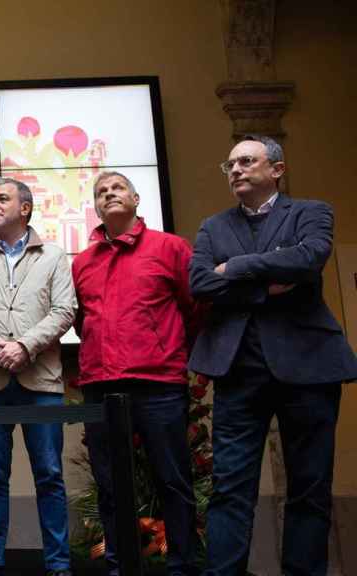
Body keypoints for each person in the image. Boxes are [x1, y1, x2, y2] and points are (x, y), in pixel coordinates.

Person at [189, 135, 357, 576]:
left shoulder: (311, 212)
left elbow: (309, 259)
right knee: (229, 490)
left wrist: (237, 269)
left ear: (277, 170)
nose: (237, 171)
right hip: (238, 370)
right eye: (230, 166)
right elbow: (202, 285)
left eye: (247, 161)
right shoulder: (212, 226)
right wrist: (269, 278)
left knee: (309, 489)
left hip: (310, 367)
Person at [72, 172, 200, 576]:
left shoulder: (171, 248)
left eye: (117, 188)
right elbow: (80, 322)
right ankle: (119, 567)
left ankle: (181, 567)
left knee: (173, 481)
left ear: (137, 198)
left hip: (159, 384)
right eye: (100, 192)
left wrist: (177, 357)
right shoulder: (81, 262)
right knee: (111, 487)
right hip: (100, 386)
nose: (108, 194)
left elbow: (195, 310)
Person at [0, 177, 76, 576]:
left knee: (50, 476)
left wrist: (24, 345)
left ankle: (57, 564)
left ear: (25, 208)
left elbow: (64, 310)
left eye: (1, 199)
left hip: (41, 382)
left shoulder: (54, 256)